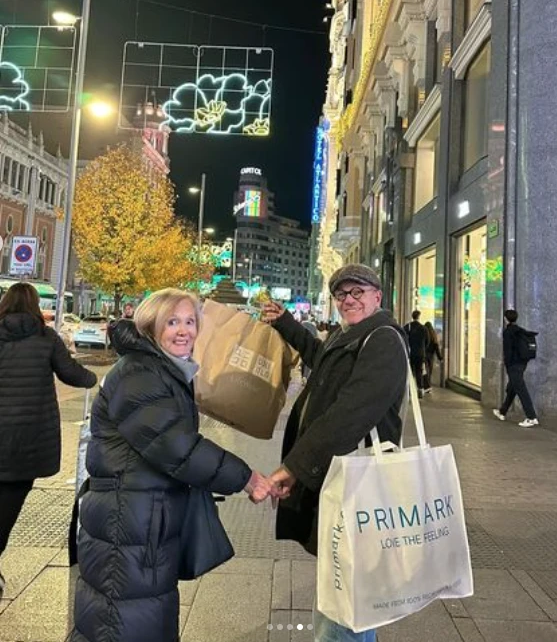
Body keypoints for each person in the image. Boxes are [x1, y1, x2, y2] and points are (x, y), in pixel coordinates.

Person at [71, 288, 274, 642]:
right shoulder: (140, 375)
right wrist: (248, 479)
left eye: (190, 322)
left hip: (141, 523)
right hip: (127, 527)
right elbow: (179, 448)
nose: (184, 331)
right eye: (172, 322)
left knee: (141, 618)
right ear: (151, 327)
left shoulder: (160, 368)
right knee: (125, 624)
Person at [262, 264, 407, 642]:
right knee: (342, 580)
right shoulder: (353, 335)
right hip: (341, 475)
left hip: (361, 481)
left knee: (346, 591)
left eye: (358, 292)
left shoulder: (384, 339)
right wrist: (287, 323)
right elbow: (322, 357)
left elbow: (351, 413)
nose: (348, 300)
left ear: (377, 296)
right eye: (342, 294)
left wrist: (294, 467)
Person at [0, 282, 96, 597]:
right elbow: (72, 374)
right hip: (27, 442)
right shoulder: (46, 338)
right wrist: (92, 378)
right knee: (9, 504)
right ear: (34, 305)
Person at [493, 309, 539, 427]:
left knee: (521, 389)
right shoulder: (520, 330)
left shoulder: (508, 332)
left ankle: (531, 417)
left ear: (505, 319)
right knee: (512, 388)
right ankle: (502, 412)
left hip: (513, 364)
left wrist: (507, 365)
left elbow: (508, 351)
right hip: (522, 363)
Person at [404, 310, 430, 397]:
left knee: (410, 371)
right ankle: (420, 389)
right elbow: (427, 341)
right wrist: (423, 349)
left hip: (411, 353)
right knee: (419, 371)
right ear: (419, 317)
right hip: (420, 354)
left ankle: (409, 390)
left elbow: (403, 337)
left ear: (412, 317)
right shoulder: (423, 328)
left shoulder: (408, 327)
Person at [424, 320, 442, 389]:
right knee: (430, 370)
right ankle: (428, 384)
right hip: (431, 356)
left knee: (425, 370)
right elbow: (436, 347)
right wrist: (440, 357)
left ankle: (426, 385)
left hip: (424, 355)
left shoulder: (424, 335)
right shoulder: (433, 335)